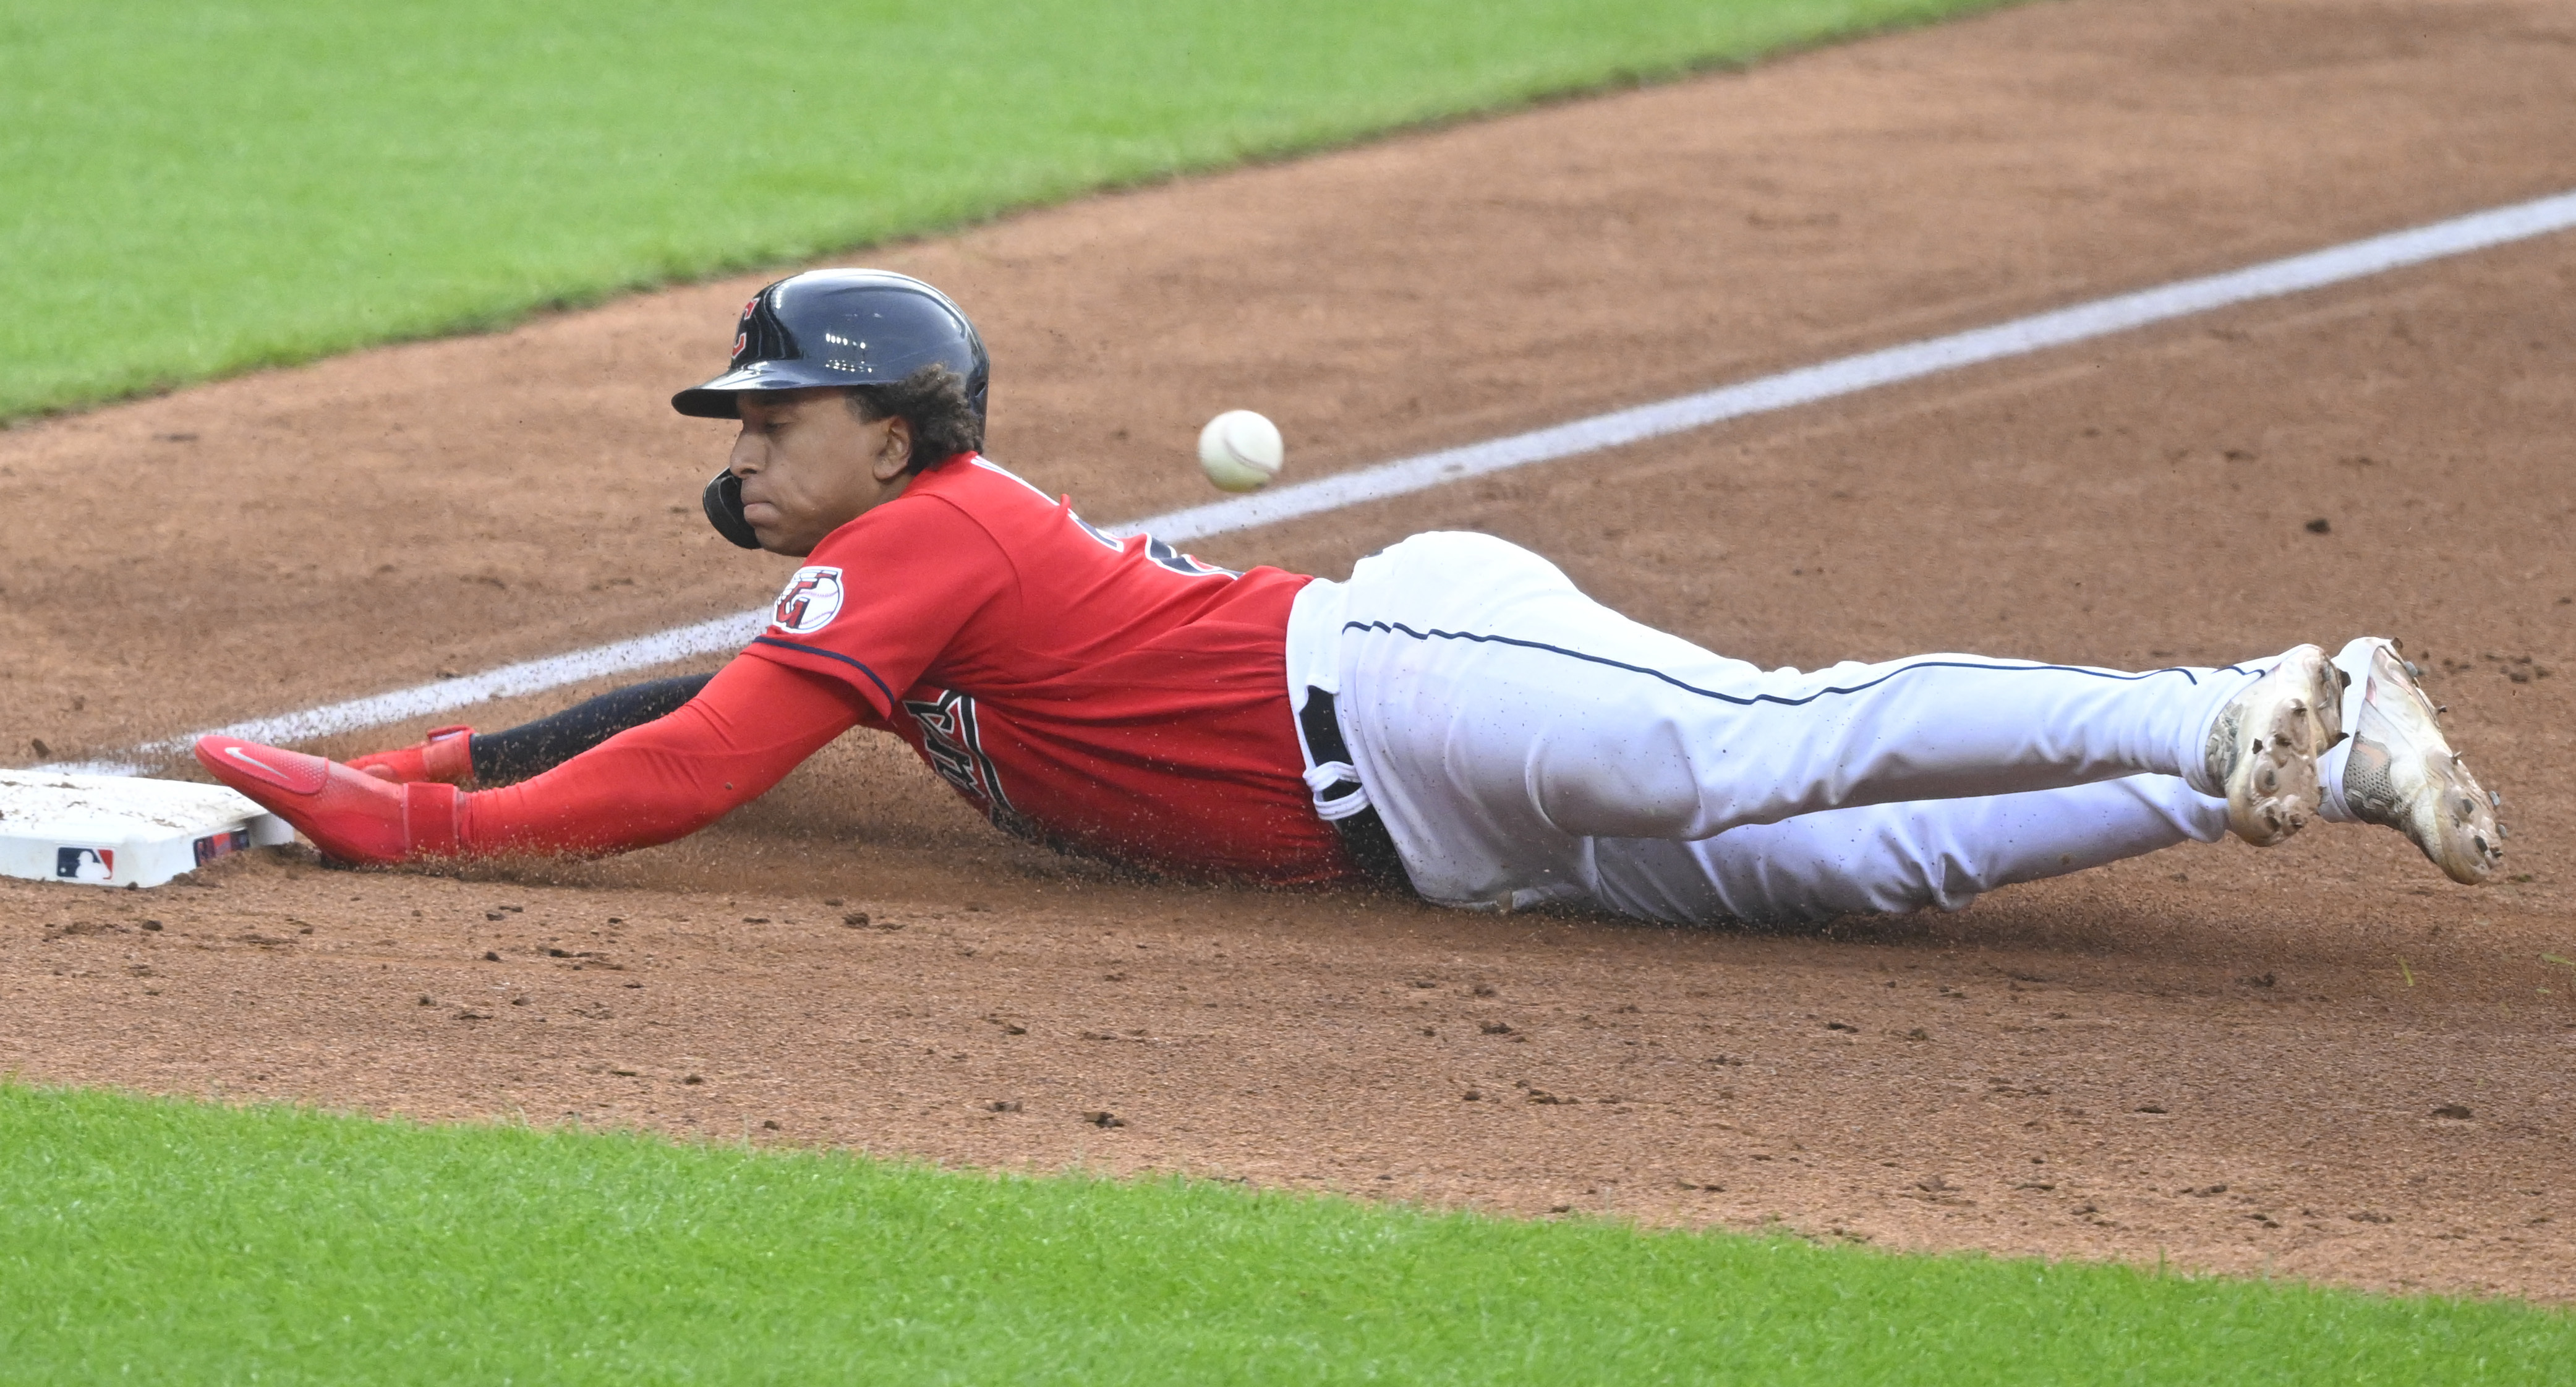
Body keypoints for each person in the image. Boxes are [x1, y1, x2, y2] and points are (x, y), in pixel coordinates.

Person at [197, 269, 2504, 925]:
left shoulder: (931, 539)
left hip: (1388, 678)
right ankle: (2291, 766)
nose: (743, 446)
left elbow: (690, 770)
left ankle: (2241, 690)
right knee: (1857, 865)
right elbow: (649, 707)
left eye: (773, 413)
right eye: (736, 416)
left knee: (1747, 741)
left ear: (893, 434)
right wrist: (360, 774)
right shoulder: (883, 596)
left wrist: (395, 831)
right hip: (1430, 837)